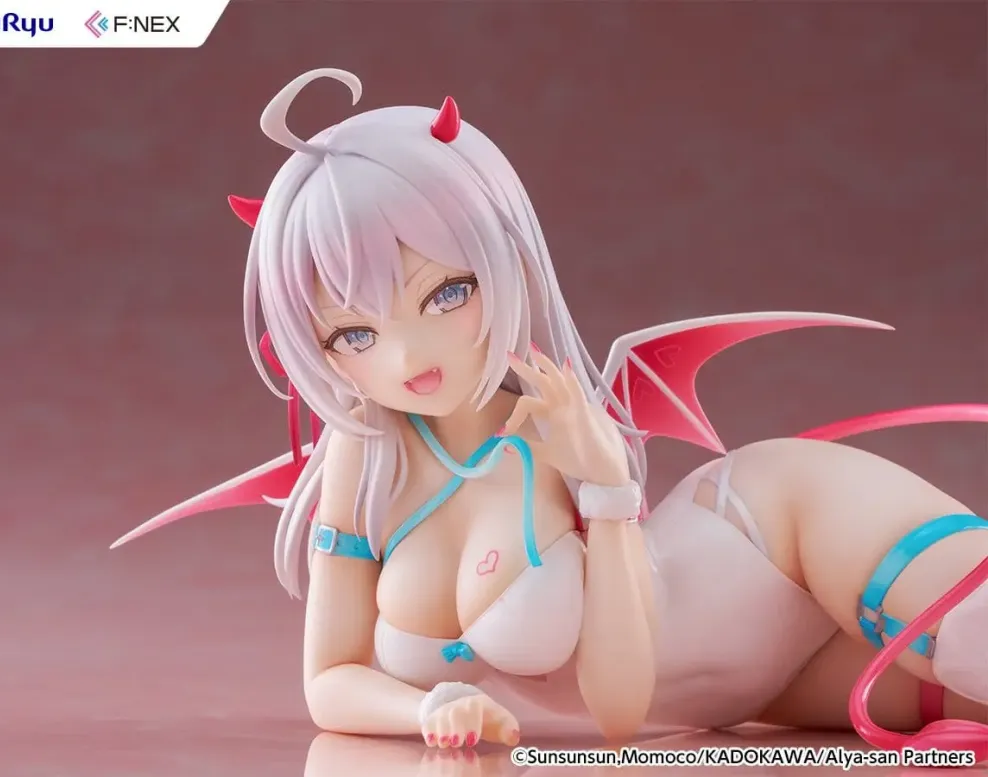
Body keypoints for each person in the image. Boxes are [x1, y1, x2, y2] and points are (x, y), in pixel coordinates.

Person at [113, 68, 988, 761]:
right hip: (764, 695)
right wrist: (431, 707)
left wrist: (605, 486)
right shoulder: (365, 456)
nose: (407, 357)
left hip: (780, 525)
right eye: (353, 332)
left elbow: (620, 706)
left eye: (444, 293)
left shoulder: (551, 413)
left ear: (503, 259)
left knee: (973, 645)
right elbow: (331, 679)